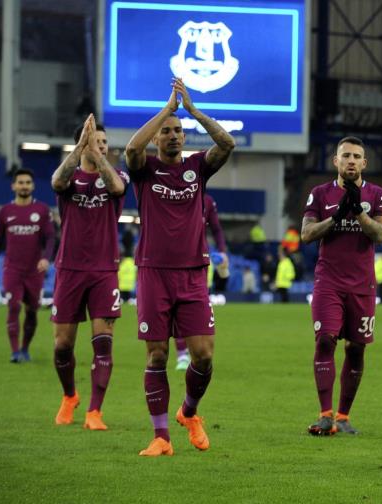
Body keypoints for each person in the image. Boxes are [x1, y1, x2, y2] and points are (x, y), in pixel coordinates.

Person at [125, 78, 235, 456]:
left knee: (203, 355)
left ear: (185, 138)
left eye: (178, 132)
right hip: (153, 272)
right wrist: (166, 112)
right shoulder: (145, 171)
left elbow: (227, 144)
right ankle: (161, 437)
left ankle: (189, 412)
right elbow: (131, 148)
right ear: (158, 137)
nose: (173, 136)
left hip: (192, 274)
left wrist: (193, 113)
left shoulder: (197, 169)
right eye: (167, 132)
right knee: (157, 355)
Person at [301, 136, 382, 436]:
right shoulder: (320, 193)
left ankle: (344, 416)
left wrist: (358, 212)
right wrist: (336, 217)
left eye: (356, 157)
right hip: (329, 281)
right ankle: (325, 415)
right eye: (345, 156)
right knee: (326, 340)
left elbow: (379, 235)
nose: (351, 161)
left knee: (357, 348)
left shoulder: (377, 194)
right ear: (335, 161)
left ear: (364, 163)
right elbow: (307, 234)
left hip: (362, 285)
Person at [49, 114, 128, 429]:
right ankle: (70, 396)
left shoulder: (116, 175)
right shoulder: (68, 180)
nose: (103, 147)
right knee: (62, 345)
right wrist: (81, 146)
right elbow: (56, 182)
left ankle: (95, 411)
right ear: (81, 145)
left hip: (103, 270)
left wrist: (98, 156)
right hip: (69, 269)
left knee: (103, 342)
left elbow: (118, 188)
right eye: (97, 141)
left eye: (106, 143)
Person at [0, 168, 56, 362]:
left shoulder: (42, 210)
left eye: (27, 182)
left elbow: (51, 237)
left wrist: (46, 258)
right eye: (21, 182)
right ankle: (15, 351)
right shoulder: (5, 212)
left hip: (35, 271)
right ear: (13, 186)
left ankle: (25, 348)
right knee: (14, 306)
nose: (24, 186)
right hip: (12, 269)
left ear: (32, 186)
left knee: (32, 310)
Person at [175, 193, 229, 371]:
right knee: (176, 308)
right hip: (173, 262)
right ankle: (182, 354)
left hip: (200, 262)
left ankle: (193, 352)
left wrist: (222, 251)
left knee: (194, 309)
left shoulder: (207, 200)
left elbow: (217, 229)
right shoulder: (173, 194)